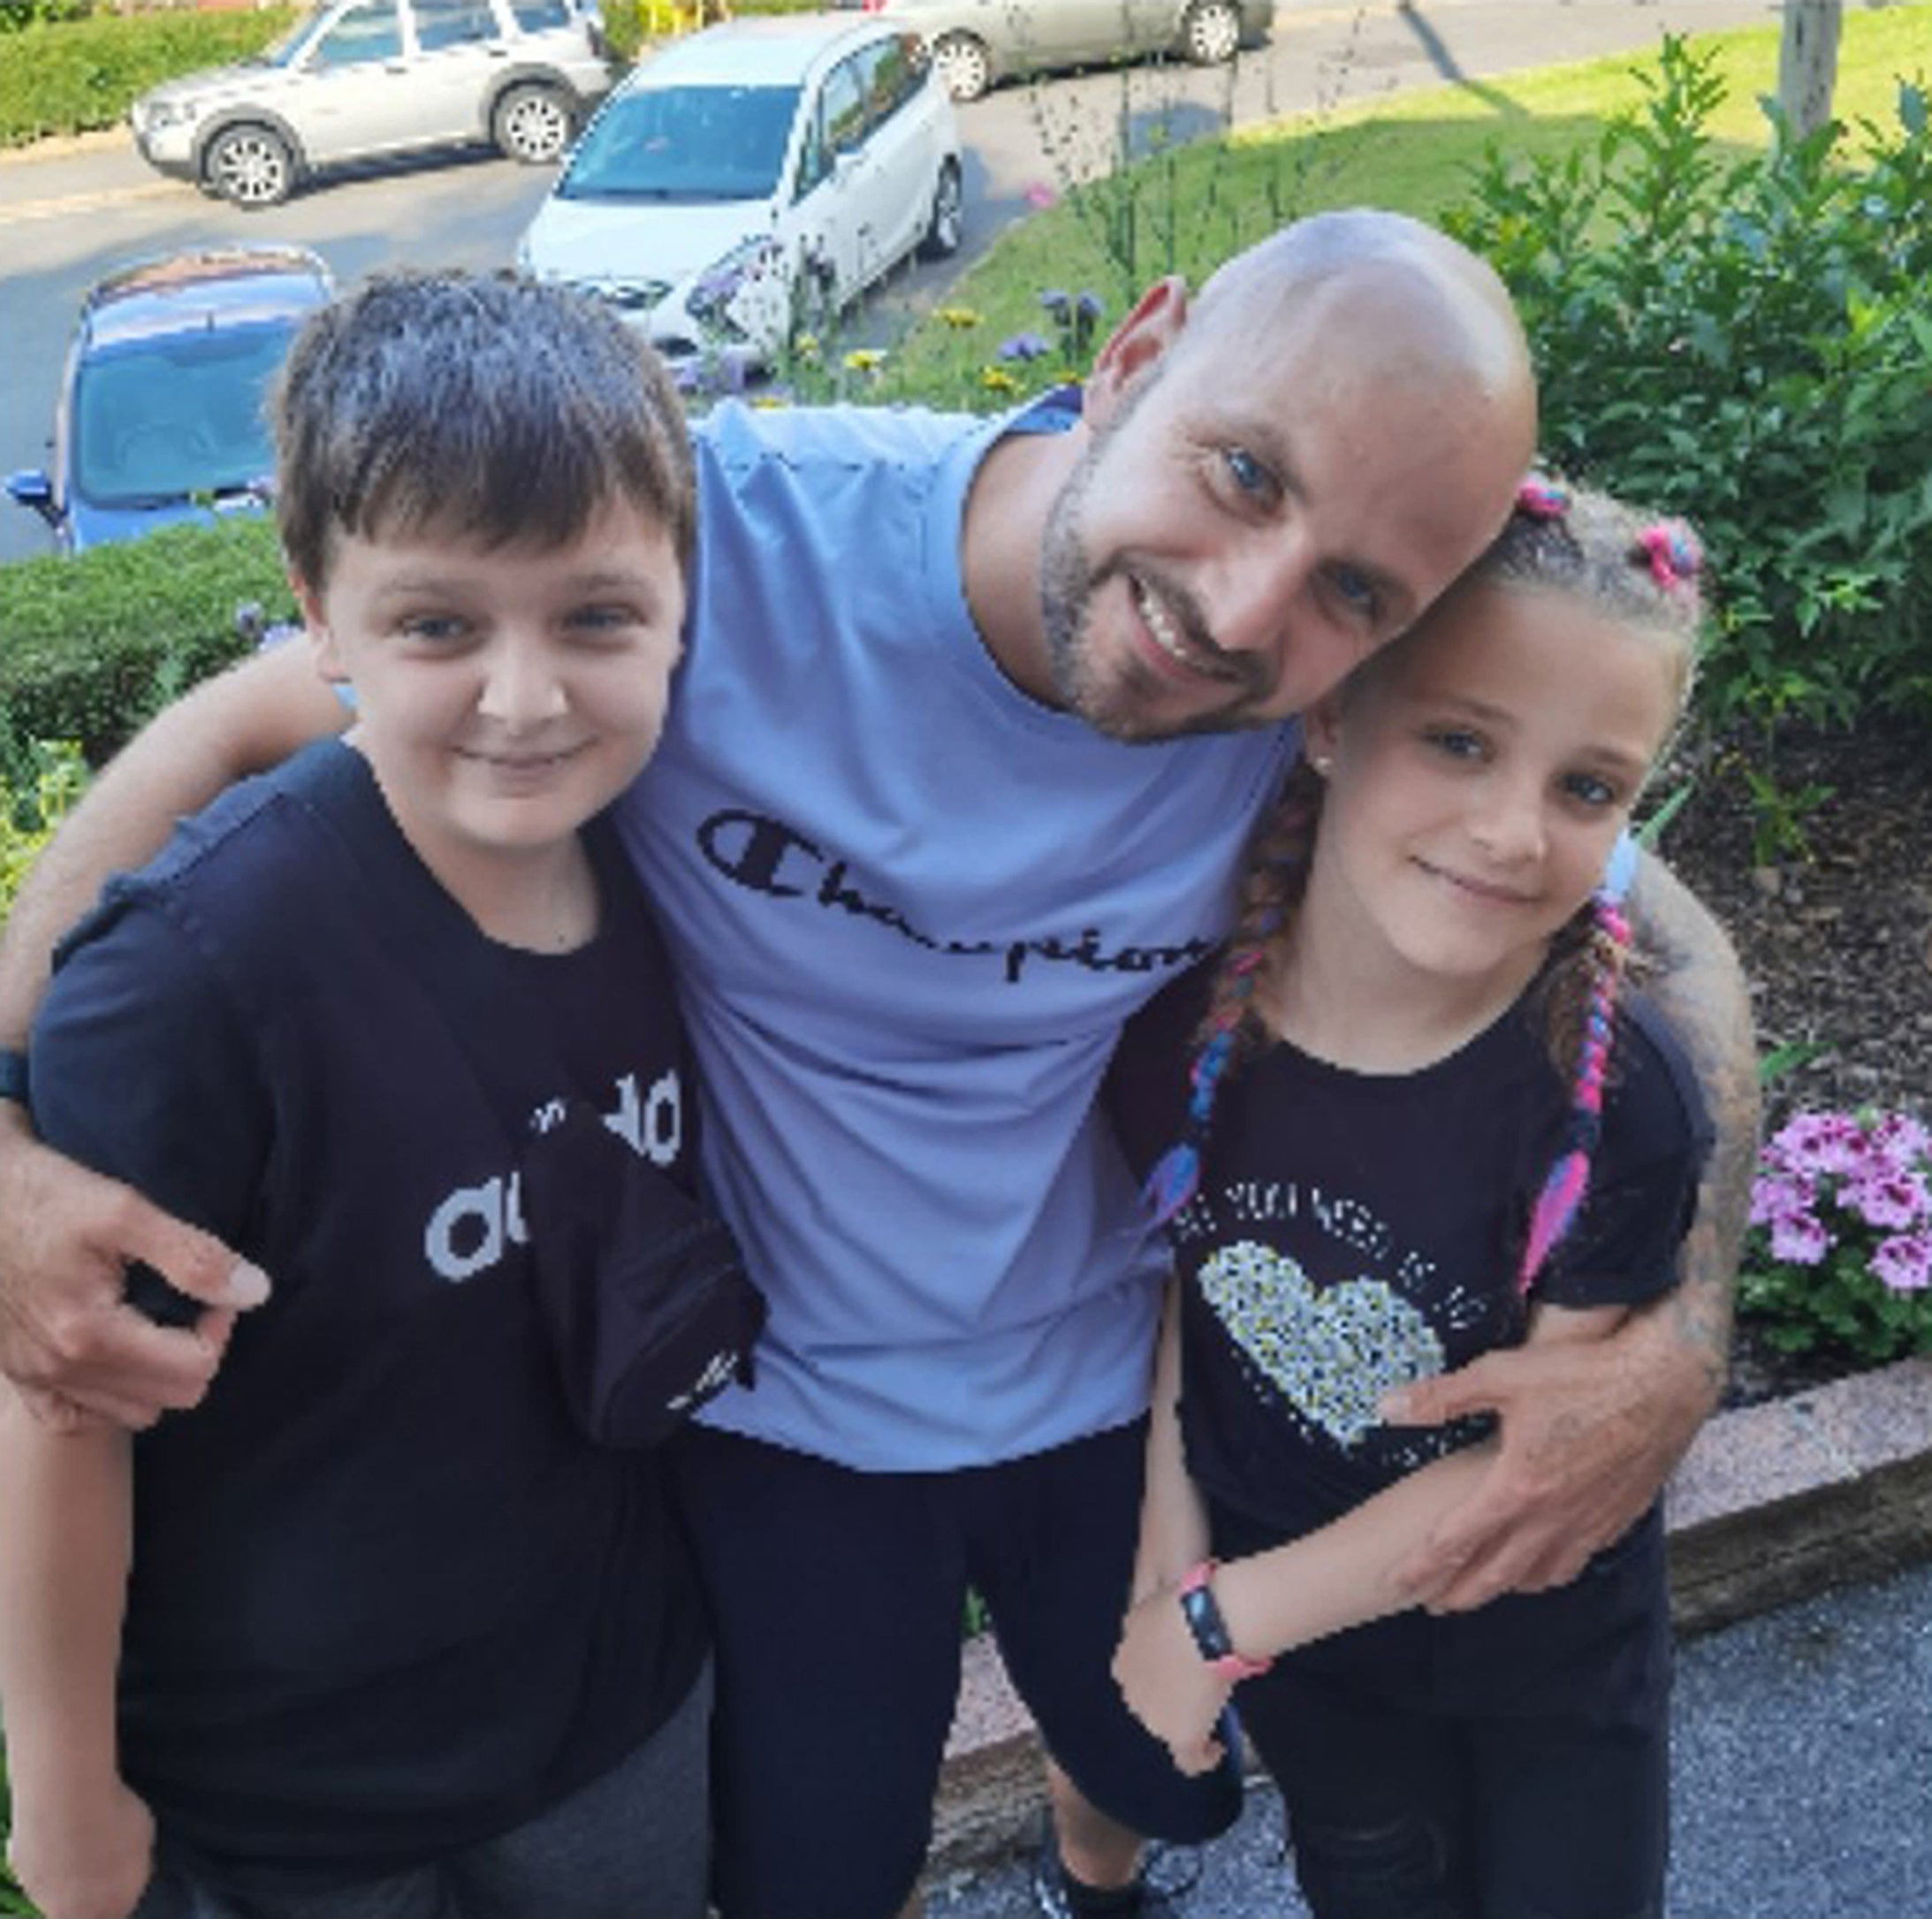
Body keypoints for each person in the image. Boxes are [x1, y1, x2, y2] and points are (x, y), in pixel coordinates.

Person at [0, 211, 1756, 1919]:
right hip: (774, 1399)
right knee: (816, 1874)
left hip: (1099, 1384)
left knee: (1163, 1771)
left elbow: (1655, 933)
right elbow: (242, 728)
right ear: (1132, 356)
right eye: (1241, 473)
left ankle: (1100, 1877)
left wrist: (1680, 1327)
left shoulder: (1312, 707)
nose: (1237, 608)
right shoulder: (718, 553)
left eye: (1355, 589)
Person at [0, 272, 713, 1919]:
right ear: (316, 616)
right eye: (438, 625)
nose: (525, 700)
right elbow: (58, 1396)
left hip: (610, 1711)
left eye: (595, 616)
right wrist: (64, 1792)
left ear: (683, 595)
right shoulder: (193, 975)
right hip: (286, 1789)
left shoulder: (683, 863)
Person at [1108, 480, 1711, 1918]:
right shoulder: (1185, 1031)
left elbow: (1538, 1461)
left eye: (1586, 787)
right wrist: (1166, 1565)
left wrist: (1212, 1625)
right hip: (1325, 1678)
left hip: (1547, 1674)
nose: (1512, 834)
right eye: (1456, 742)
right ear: (1329, 721)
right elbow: (1188, 1305)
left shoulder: (1612, 1094)